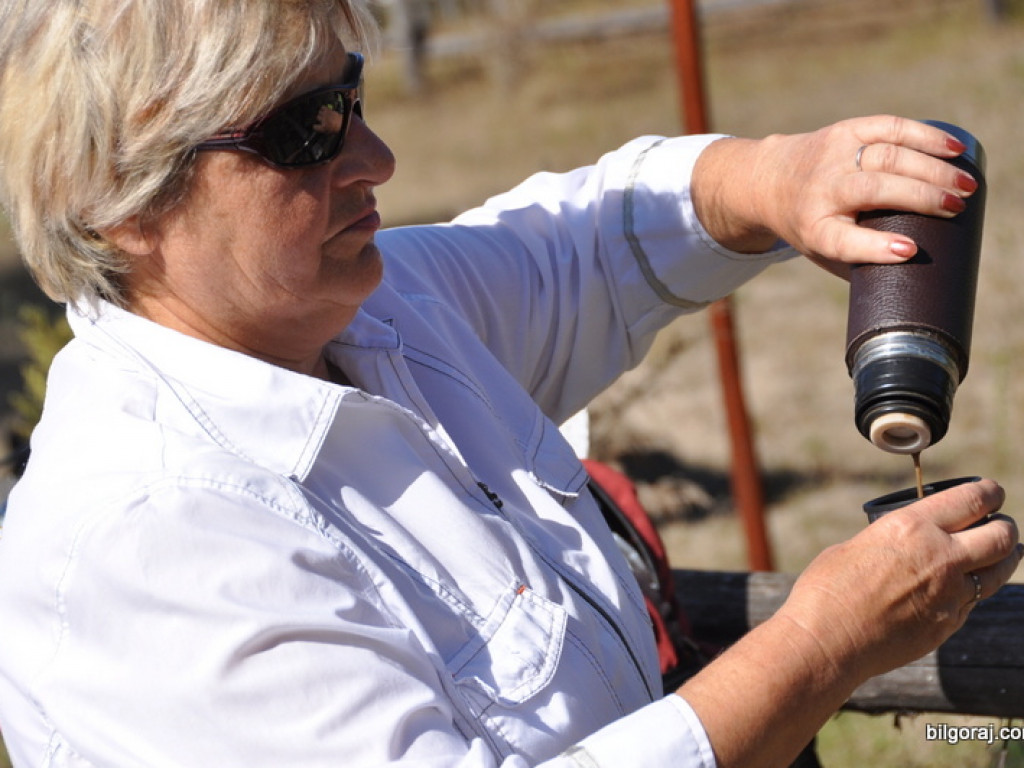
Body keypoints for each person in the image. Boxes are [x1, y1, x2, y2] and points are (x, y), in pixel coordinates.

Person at [0, 2, 1017, 767]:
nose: (374, 156)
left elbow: (577, 249)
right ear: (120, 204)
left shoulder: (358, 312)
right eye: (303, 132)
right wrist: (821, 642)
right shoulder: (152, 548)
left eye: (349, 95)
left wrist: (775, 181)